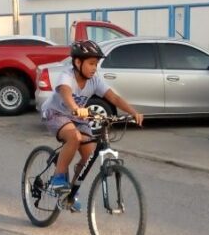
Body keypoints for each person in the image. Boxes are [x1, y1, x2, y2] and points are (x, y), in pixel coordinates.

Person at [40, 40, 144, 212]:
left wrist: (133, 112)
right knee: (74, 137)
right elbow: (65, 92)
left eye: (96, 64)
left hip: (78, 117)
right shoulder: (67, 76)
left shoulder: (94, 81)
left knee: (89, 154)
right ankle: (58, 178)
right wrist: (75, 108)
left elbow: (114, 98)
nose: (94, 67)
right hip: (55, 113)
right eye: (90, 63)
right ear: (77, 62)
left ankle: (71, 194)